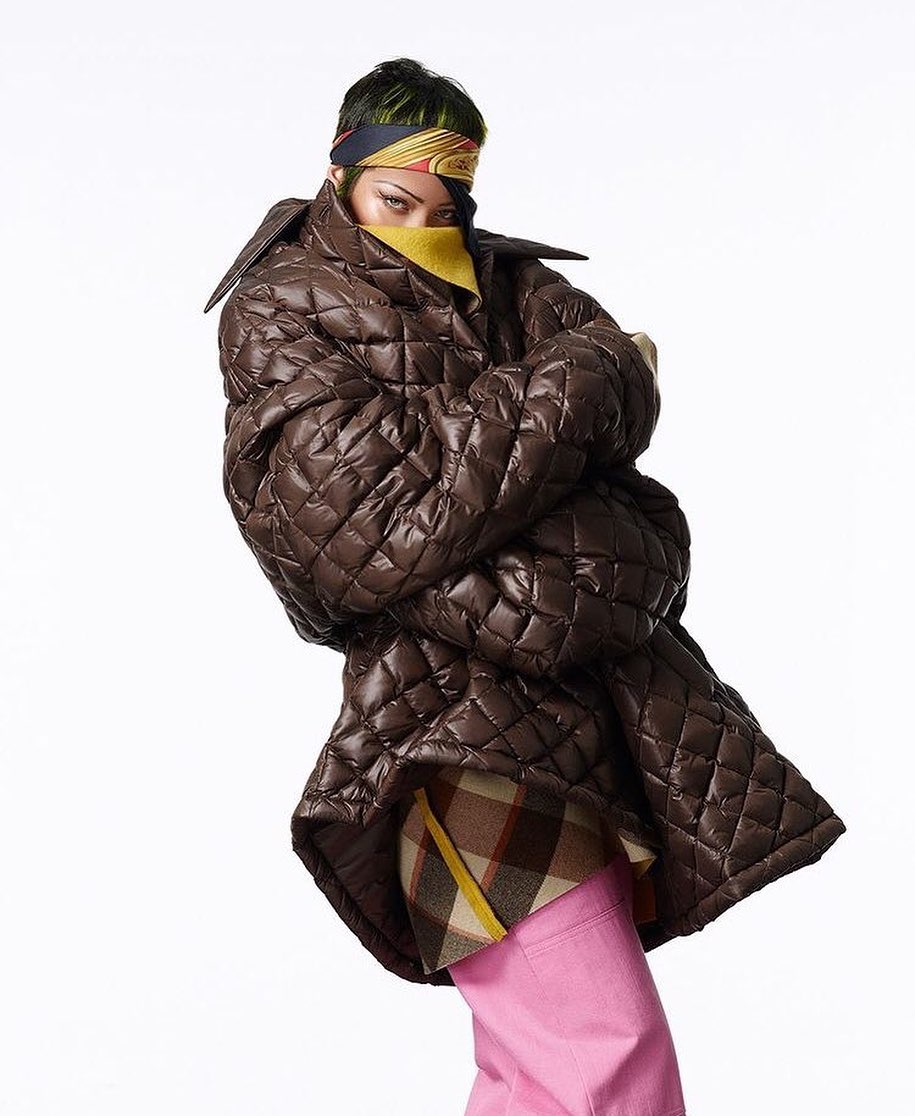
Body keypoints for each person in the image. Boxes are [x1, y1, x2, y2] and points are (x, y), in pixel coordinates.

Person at [205, 55, 845, 1116]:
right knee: (605, 1060)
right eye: (395, 198)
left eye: (446, 205)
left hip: (593, 732)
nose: (424, 224)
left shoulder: (516, 287)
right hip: (447, 738)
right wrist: (577, 399)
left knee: (534, 1079)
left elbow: (642, 530)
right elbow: (355, 542)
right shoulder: (281, 309)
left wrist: (460, 490)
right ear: (339, 171)